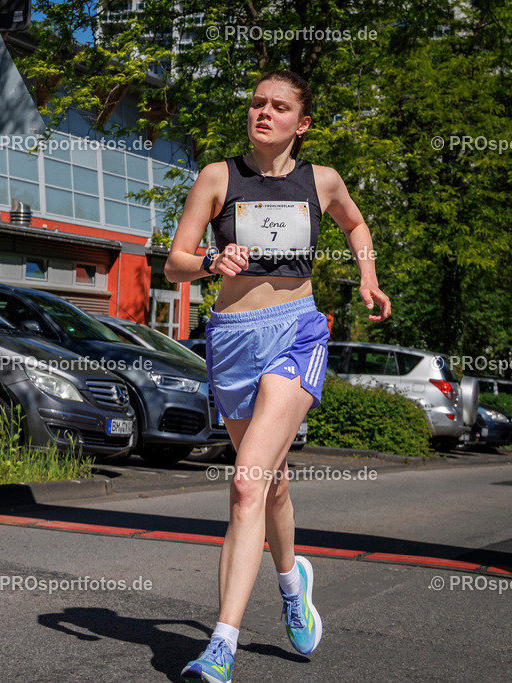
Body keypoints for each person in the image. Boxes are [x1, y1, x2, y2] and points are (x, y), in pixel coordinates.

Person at [165, 69, 391, 682]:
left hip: (296, 330)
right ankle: (293, 581)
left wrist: (367, 276)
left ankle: (222, 643)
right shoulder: (217, 177)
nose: (264, 113)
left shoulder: (322, 181)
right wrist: (212, 259)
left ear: (302, 122)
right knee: (273, 485)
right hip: (230, 341)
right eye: (257, 103)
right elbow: (173, 265)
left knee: (245, 484)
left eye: (279, 106)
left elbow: (356, 225)